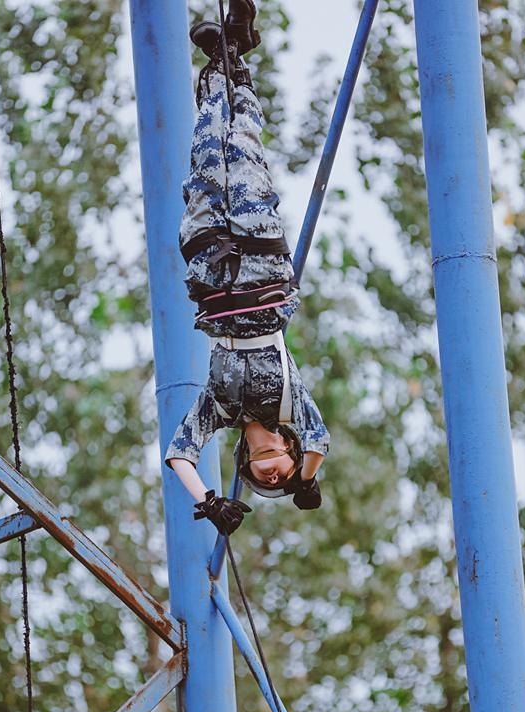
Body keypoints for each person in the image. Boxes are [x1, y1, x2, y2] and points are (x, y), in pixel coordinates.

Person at [165, 0, 329, 536]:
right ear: (288, 448)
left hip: (210, 266)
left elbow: (178, 455)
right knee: (244, 143)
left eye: (271, 483)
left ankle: (225, 54)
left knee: (207, 145)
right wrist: (307, 481)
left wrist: (211, 501)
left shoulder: (219, 409)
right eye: (285, 474)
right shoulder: (292, 407)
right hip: (259, 260)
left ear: (247, 464)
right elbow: (320, 443)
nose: (276, 477)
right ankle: (239, 55)